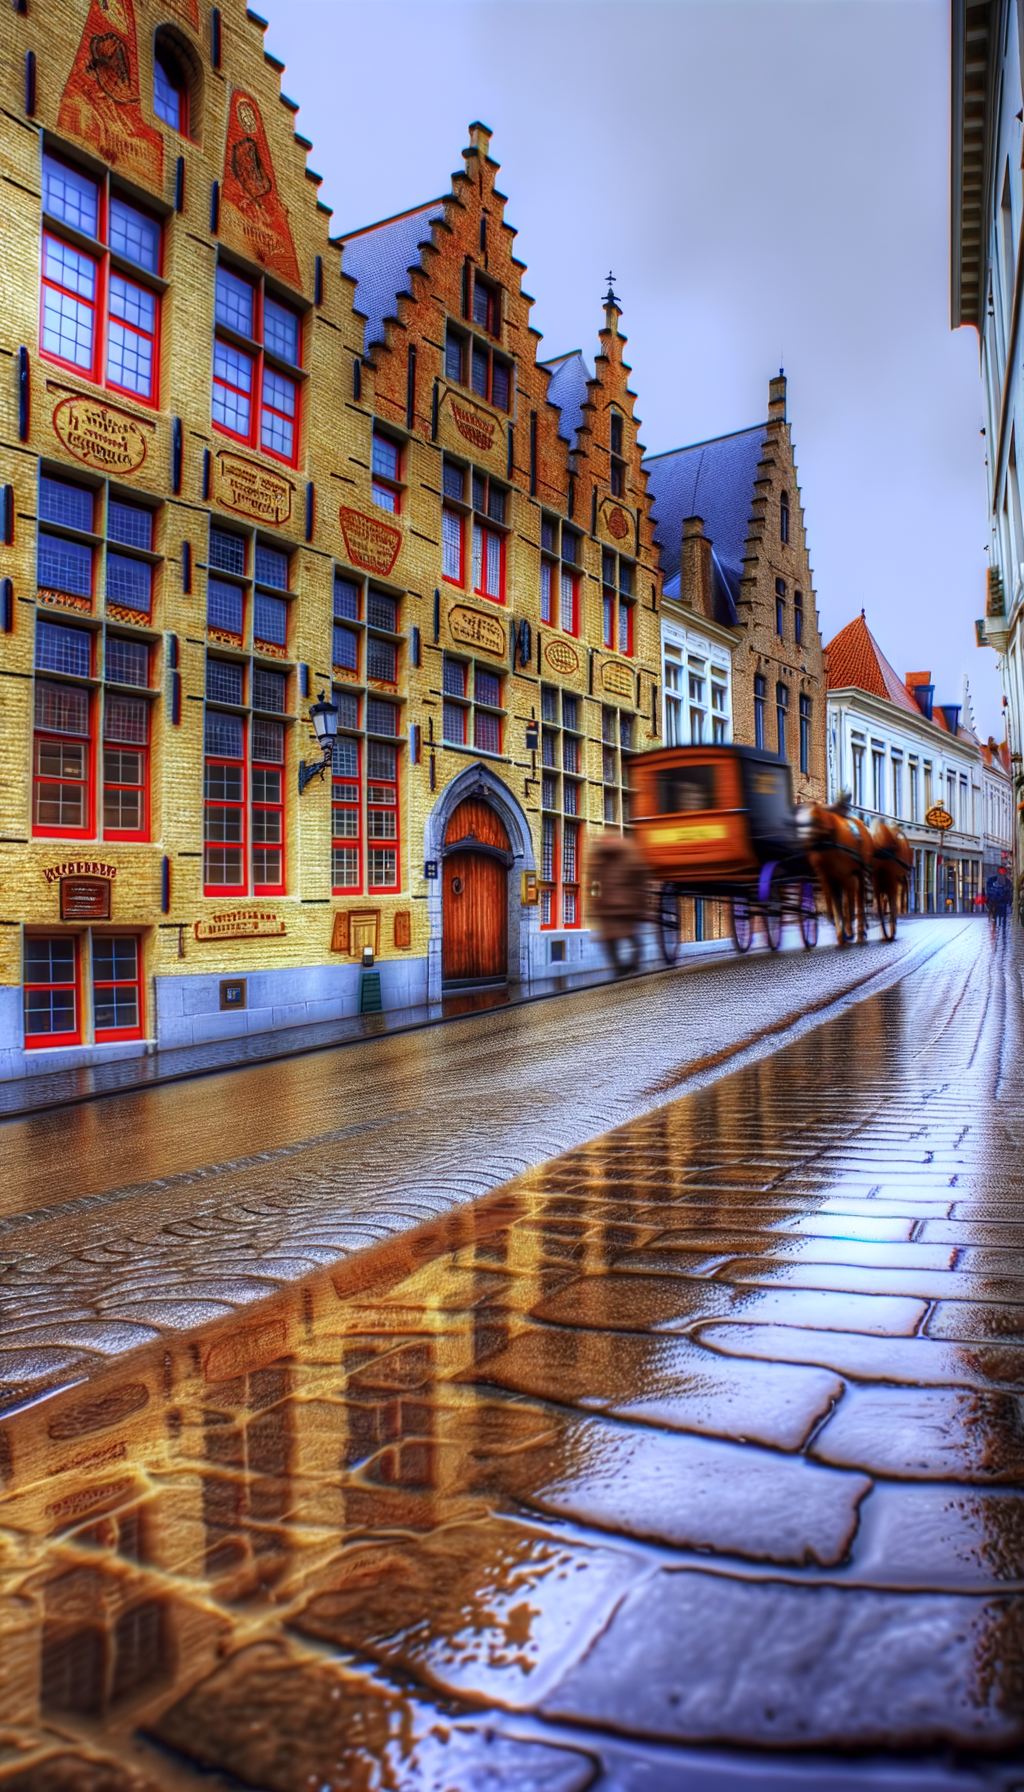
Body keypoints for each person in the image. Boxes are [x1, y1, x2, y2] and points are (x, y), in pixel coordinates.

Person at [586, 832, 648, 974]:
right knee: (631, 936)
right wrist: (640, 900)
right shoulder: (630, 854)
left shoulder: (599, 858)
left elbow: (594, 884)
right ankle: (632, 963)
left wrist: (595, 901)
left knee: (610, 939)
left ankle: (618, 967)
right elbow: (640, 877)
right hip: (626, 905)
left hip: (607, 906)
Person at [986, 867, 1013, 931]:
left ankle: (1002, 928)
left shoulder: (1008, 882)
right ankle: (995, 924)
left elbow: (1010, 891)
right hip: (996, 901)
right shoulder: (992, 880)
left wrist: (1009, 900)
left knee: (1003, 917)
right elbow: (989, 890)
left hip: (1003, 902)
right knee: (995, 913)